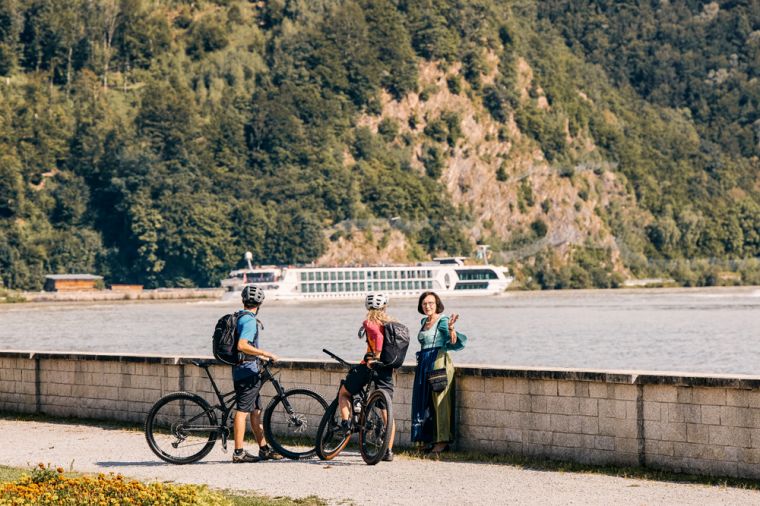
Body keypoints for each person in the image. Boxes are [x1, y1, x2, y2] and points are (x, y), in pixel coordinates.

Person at [336, 292, 397, 462]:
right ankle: (388, 451)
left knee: (344, 393)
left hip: (370, 365)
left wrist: (375, 357)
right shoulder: (390, 323)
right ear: (385, 306)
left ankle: (346, 423)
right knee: (386, 411)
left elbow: (378, 337)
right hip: (387, 369)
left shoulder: (370, 321)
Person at [410, 291, 467, 454]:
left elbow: (452, 339)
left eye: (431, 303)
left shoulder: (442, 321)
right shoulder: (423, 321)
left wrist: (451, 328)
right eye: (424, 303)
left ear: (437, 305)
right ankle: (425, 439)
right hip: (423, 364)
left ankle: (442, 441)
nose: (427, 306)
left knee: (439, 401)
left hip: (438, 362)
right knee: (424, 401)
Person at [231, 285, 283, 463]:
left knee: (255, 410)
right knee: (242, 410)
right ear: (260, 303)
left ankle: (263, 449)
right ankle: (238, 452)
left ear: (243, 301)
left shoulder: (240, 316)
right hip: (247, 370)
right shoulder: (250, 321)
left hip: (243, 369)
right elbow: (242, 345)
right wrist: (265, 353)